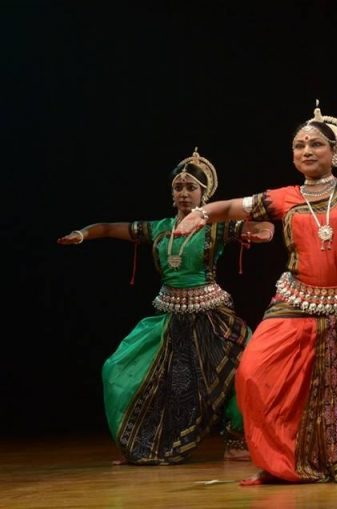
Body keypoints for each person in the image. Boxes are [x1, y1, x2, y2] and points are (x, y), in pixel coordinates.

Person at [174, 102, 337, 484]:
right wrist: (200, 215)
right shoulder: (282, 197)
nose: (306, 152)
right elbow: (234, 206)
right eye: (299, 146)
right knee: (252, 372)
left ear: (334, 152)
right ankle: (277, 460)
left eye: (315, 144)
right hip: (298, 300)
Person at [58, 149, 275, 465]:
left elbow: (262, 226)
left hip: (213, 318)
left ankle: (238, 440)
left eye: (191, 188)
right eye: (178, 188)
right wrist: (82, 234)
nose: (184, 194)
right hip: (170, 319)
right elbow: (107, 227)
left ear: (205, 193)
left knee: (245, 369)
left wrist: (261, 233)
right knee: (117, 369)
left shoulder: (216, 226)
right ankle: (147, 443)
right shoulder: (158, 228)